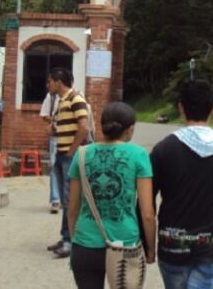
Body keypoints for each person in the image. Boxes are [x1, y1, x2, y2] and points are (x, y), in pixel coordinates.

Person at [151, 80, 213, 289]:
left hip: (172, 247)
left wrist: (148, 239)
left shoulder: (163, 150)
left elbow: (146, 200)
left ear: (181, 108)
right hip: (212, 250)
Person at [67, 102, 156, 289]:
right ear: (130, 130)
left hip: (85, 244)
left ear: (102, 125)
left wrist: (78, 242)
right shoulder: (138, 155)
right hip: (125, 243)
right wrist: (151, 248)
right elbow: (147, 213)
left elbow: (72, 208)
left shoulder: (81, 154)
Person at [46, 68, 92, 259]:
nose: (48, 85)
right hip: (62, 153)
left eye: (50, 81)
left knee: (69, 198)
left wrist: (72, 151)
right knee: (67, 198)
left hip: (69, 155)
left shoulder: (75, 99)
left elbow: (83, 127)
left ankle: (70, 240)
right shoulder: (61, 101)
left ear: (58, 82)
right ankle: (65, 235)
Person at [40, 82, 60, 214]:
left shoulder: (76, 96)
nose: (48, 85)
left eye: (50, 82)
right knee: (54, 165)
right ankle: (55, 200)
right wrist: (54, 119)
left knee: (69, 166)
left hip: (70, 137)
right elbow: (44, 115)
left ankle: (67, 197)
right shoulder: (51, 97)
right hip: (56, 136)